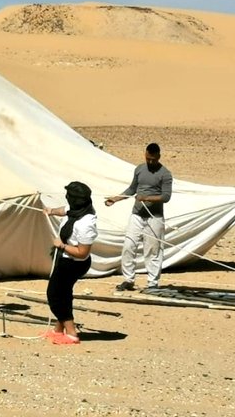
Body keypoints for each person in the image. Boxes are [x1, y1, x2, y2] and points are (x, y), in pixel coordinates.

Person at [105, 142, 172, 291]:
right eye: (148, 158)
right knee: (129, 246)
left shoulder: (165, 174)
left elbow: (166, 197)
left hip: (154, 217)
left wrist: (147, 198)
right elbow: (131, 189)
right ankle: (128, 280)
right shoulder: (139, 169)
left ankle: (152, 283)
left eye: (153, 159)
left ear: (159, 157)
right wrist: (115, 199)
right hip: (136, 215)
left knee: (152, 250)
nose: (150, 162)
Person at [42, 182, 98, 345]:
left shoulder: (86, 223)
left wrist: (62, 245)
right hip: (66, 260)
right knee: (64, 293)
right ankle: (59, 330)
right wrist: (52, 211)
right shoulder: (78, 209)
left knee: (55, 296)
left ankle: (72, 333)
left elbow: (82, 252)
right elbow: (64, 209)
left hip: (73, 263)